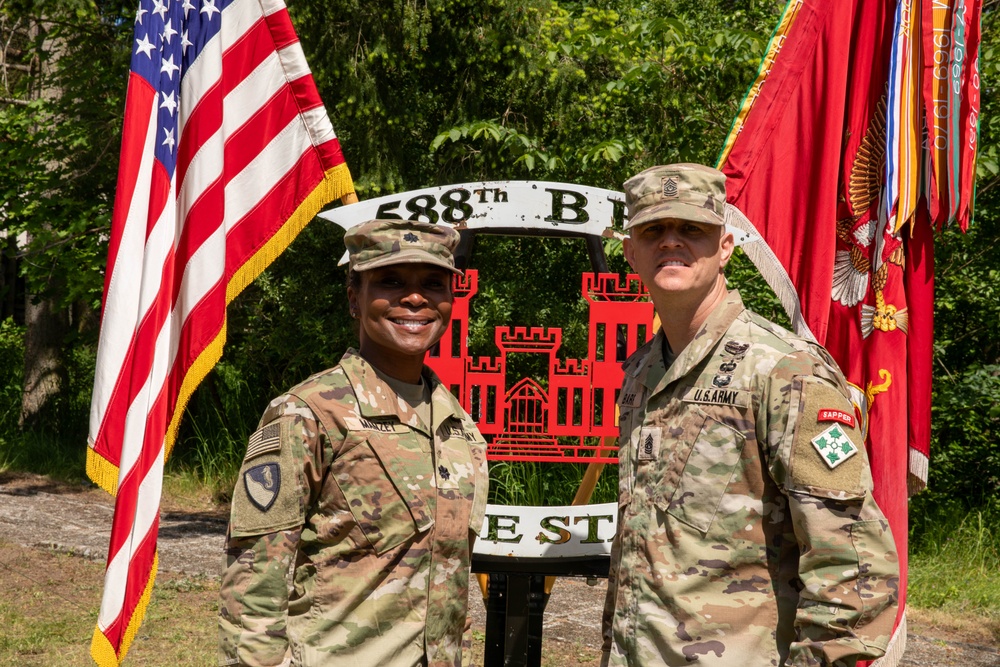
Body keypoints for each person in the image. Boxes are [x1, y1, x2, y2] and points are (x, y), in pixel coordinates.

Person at [602, 164, 899, 667]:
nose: (671, 242)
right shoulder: (639, 376)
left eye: (692, 229)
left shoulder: (783, 369)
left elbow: (853, 562)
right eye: (653, 230)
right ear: (631, 251)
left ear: (725, 247)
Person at [219, 219, 489, 667]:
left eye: (433, 284)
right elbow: (253, 587)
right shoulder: (308, 413)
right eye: (391, 281)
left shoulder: (458, 427)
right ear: (353, 298)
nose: (416, 298)